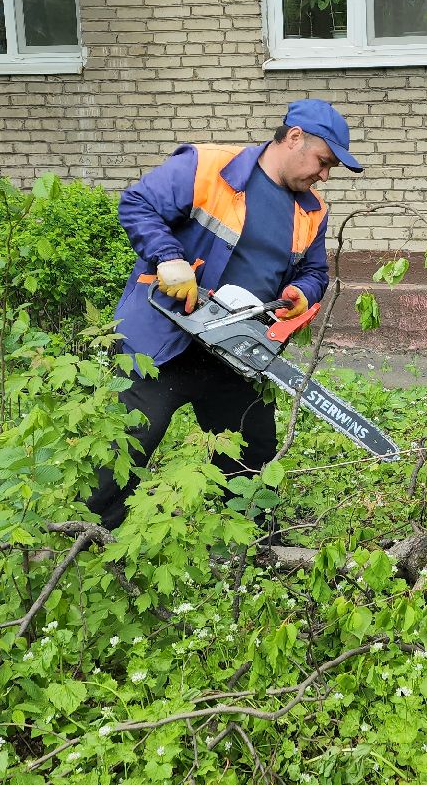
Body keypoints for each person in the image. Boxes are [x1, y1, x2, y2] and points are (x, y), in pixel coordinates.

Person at [84, 99, 364, 529]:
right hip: (164, 339)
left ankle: (253, 546)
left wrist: (302, 293)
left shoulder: (313, 211)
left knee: (252, 450)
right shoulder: (208, 166)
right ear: (293, 138)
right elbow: (137, 202)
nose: (324, 176)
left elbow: (314, 272)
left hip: (235, 349)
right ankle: (84, 536)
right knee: (128, 444)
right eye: (323, 162)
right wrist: (167, 257)